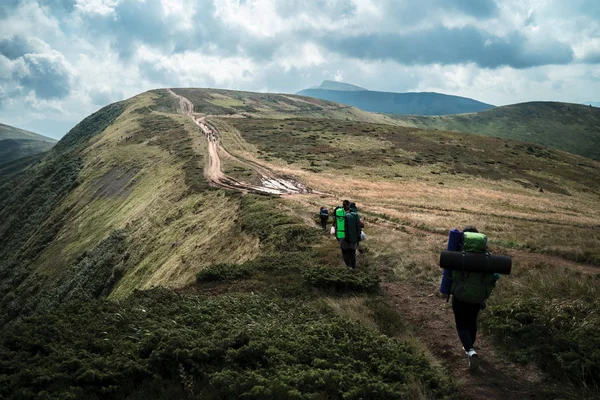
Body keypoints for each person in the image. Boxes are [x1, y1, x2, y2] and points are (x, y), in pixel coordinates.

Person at [446, 226, 499, 371]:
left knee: (461, 324)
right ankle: (470, 347)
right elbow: (493, 277)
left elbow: (450, 274)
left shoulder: (458, 256)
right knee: (471, 321)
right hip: (478, 297)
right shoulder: (487, 258)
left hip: (460, 295)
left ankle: (470, 350)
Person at [339, 202, 362, 269]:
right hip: (354, 240)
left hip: (344, 239)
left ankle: (347, 267)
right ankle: (353, 268)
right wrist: (358, 238)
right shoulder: (356, 216)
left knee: (345, 253)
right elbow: (358, 228)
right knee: (352, 254)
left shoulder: (344, 215)